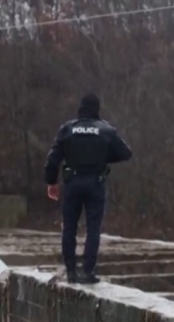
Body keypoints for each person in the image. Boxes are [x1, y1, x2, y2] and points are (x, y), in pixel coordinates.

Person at [44, 93, 132, 284]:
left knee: (69, 228)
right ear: (97, 109)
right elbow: (126, 153)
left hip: (72, 183)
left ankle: (71, 271)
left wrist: (51, 182)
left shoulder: (67, 129)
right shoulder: (106, 130)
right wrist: (102, 157)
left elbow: (53, 159)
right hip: (95, 183)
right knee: (93, 228)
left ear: (81, 109)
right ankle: (88, 272)